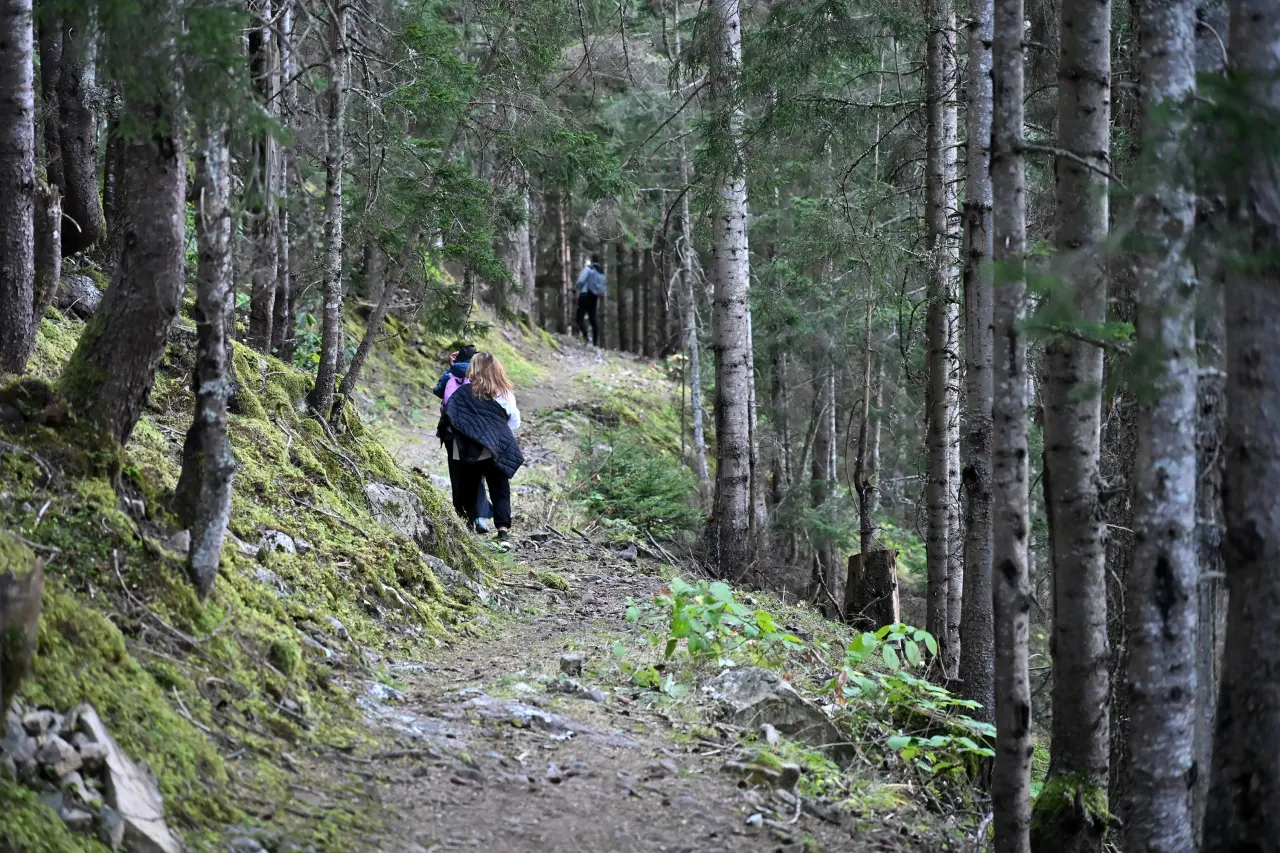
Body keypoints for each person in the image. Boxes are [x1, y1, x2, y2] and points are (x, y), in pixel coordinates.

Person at [444, 352, 524, 540]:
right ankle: (503, 531)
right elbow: (514, 422)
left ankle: (467, 528)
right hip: (497, 448)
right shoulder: (506, 394)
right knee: (500, 490)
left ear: (473, 369)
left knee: (468, 488)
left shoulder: (463, 393)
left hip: (470, 450)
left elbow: (452, 418)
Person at [433, 345, 491, 527]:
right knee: (477, 472)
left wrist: (451, 367)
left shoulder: (451, 375)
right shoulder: (481, 377)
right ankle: (480, 516)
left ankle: (462, 516)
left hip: (452, 433)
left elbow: (437, 391)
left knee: (457, 473)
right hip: (476, 434)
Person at [574, 254, 606, 345]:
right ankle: (595, 343)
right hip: (594, 297)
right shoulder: (601, 272)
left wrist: (576, 288)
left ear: (591, 260)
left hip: (584, 295)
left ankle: (586, 337)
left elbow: (580, 281)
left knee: (579, 318)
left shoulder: (589, 269)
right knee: (593, 319)